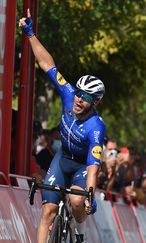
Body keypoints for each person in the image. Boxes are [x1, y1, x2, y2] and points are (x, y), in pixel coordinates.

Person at [19, 9, 106, 243]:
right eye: (79, 93)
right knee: (47, 210)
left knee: (77, 201)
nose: (79, 99)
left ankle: (79, 231)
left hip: (81, 168)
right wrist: (30, 34)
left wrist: (89, 194)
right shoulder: (68, 95)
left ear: (95, 102)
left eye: (86, 97)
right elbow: (48, 65)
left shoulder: (95, 127)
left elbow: (93, 164)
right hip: (62, 159)